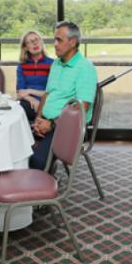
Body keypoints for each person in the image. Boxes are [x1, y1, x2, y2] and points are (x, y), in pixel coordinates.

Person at [29, 21, 96, 170]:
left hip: (68, 128)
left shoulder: (85, 68)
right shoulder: (56, 64)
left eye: (59, 40)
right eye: (54, 39)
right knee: (14, 148)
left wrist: (51, 124)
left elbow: (80, 109)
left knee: (36, 161)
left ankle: (44, 178)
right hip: (48, 122)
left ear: (72, 42)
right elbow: (46, 95)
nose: (54, 44)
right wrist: (38, 120)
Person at [15, 30, 53, 122]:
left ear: (41, 42)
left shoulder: (52, 64)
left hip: (47, 102)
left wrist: (30, 91)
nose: (35, 43)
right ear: (25, 48)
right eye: (30, 42)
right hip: (27, 102)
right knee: (20, 110)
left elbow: (52, 92)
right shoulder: (22, 66)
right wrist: (31, 99)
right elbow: (20, 91)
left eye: (37, 40)